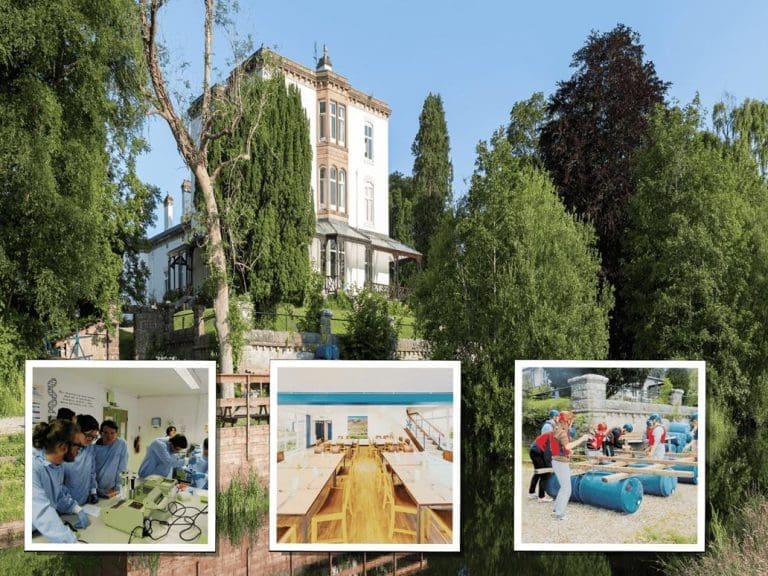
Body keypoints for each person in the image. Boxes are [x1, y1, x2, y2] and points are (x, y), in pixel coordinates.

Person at [31, 419, 90, 543]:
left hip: (44, 529)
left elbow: (58, 495)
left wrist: (76, 508)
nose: (79, 451)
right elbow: (41, 511)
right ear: (63, 447)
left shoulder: (58, 464)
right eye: (78, 446)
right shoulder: (33, 466)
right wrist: (72, 543)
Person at [550, 411, 591, 520]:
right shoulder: (562, 432)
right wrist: (582, 439)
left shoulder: (557, 428)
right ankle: (559, 514)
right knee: (567, 489)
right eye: (571, 420)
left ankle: (556, 509)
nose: (572, 423)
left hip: (557, 460)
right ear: (567, 421)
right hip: (560, 462)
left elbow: (561, 447)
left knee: (564, 487)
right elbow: (567, 446)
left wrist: (567, 452)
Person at [62, 415, 100, 505]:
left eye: (94, 437)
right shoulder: (63, 450)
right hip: (66, 504)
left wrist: (93, 491)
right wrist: (71, 506)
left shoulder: (89, 448)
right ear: (77, 431)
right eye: (88, 435)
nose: (90, 440)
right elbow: (58, 484)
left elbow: (92, 472)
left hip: (84, 501)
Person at [93, 419, 129, 497]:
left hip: (113, 489)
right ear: (100, 433)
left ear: (116, 434)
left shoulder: (121, 445)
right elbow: (92, 471)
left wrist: (118, 488)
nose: (109, 436)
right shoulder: (94, 448)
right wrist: (96, 489)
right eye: (105, 433)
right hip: (97, 488)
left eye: (112, 433)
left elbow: (123, 468)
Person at [528, 430, 554, 502]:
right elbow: (547, 453)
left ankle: (531, 493)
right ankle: (541, 497)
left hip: (533, 451)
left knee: (537, 473)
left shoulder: (550, 434)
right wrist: (549, 467)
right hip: (537, 453)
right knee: (545, 473)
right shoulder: (551, 436)